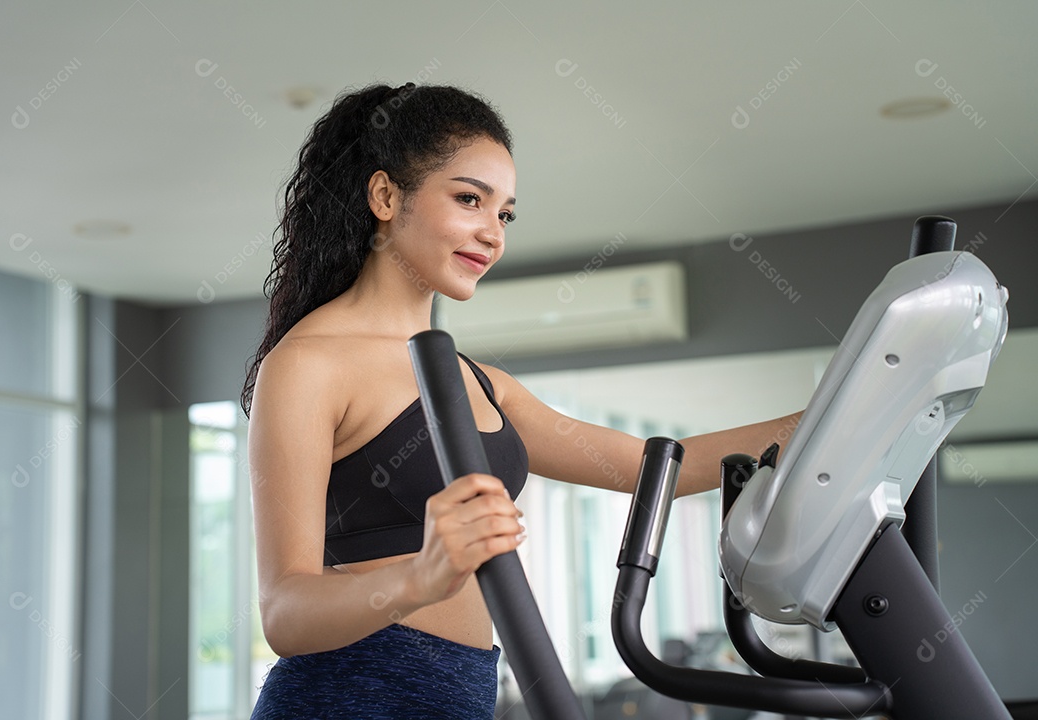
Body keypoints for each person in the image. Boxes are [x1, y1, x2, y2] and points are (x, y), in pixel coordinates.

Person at [241, 81, 801, 719]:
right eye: (469, 199)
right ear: (386, 196)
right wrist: (420, 576)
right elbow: (284, 613)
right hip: (345, 698)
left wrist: (832, 420)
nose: (492, 233)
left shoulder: (481, 383)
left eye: (504, 214)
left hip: (463, 695)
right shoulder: (308, 364)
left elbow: (652, 469)